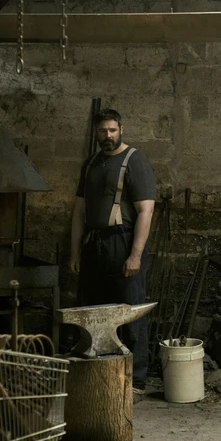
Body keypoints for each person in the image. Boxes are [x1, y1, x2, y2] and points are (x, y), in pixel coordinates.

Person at [69, 109, 156, 400]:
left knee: (130, 310)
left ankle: (136, 380)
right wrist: (75, 252)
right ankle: (97, 374)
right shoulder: (90, 164)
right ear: (96, 132)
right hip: (94, 243)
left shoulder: (135, 160)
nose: (108, 136)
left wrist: (135, 255)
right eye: (102, 131)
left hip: (122, 242)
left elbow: (146, 211)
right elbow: (79, 211)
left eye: (112, 130)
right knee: (91, 309)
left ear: (121, 129)